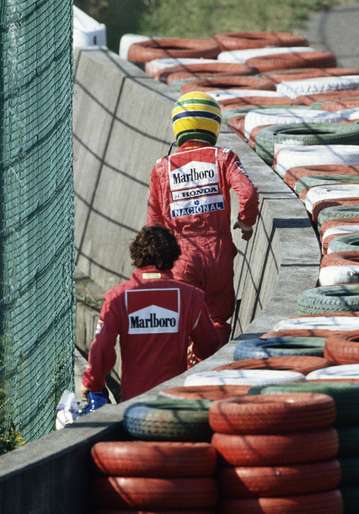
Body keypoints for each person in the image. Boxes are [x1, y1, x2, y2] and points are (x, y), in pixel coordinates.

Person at [147, 91, 259, 344]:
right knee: (218, 320)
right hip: (218, 254)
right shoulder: (223, 157)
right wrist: (245, 222)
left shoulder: (161, 167)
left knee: (181, 323)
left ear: (178, 126)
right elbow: (249, 194)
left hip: (180, 256)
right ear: (214, 125)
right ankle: (212, 372)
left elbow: (154, 226)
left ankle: (185, 376)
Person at [81, 226, 221, 413]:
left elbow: (101, 349)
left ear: (136, 256)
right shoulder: (191, 297)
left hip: (134, 405)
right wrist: (191, 349)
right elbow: (210, 346)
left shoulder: (117, 298)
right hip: (176, 402)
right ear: (173, 256)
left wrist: (93, 383)